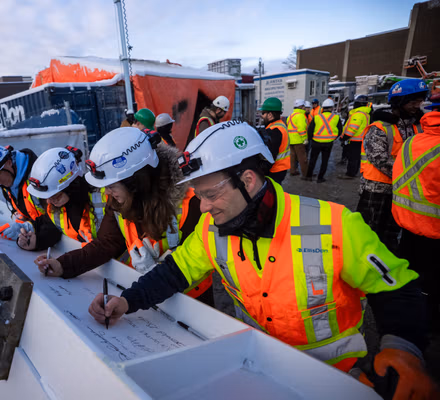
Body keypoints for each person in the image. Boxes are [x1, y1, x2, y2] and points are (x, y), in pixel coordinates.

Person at [87, 121, 439, 399]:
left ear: (248, 180)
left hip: (336, 379)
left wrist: (402, 349)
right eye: (200, 195)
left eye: (210, 194)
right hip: (258, 370)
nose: (203, 207)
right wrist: (127, 301)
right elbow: (174, 272)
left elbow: (397, 288)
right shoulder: (212, 230)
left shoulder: (334, 225)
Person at [36, 127, 214, 305]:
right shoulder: (119, 202)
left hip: (192, 304)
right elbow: (106, 243)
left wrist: (158, 273)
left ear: (135, 181)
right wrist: (63, 265)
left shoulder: (191, 203)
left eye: (111, 186)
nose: (107, 192)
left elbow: (195, 262)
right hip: (144, 295)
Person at [357, 79, 427, 253]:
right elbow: (380, 159)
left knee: (391, 232)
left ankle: (388, 262)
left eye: (419, 101)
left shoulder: (418, 126)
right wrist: (414, 176)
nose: (417, 106)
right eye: (413, 102)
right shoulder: (380, 127)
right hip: (376, 189)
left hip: (402, 190)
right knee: (368, 232)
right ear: (399, 101)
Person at [392, 101, 440, 332]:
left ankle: (405, 315)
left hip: (407, 220)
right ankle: (426, 323)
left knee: (410, 272)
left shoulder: (412, 140)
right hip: (433, 228)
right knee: (431, 281)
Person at [15, 146, 109, 252]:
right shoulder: (57, 207)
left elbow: (114, 241)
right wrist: (36, 242)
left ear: (71, 187)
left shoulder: (105, 197)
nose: (48, 201)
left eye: (55, 195)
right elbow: (52, 227)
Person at [0, 144, 45, 240]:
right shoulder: (9, 179)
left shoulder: (40, 180)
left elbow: (56, 218)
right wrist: (18, 216)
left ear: (9, 162)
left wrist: (30, 227)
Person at [306, 98, 343, 183]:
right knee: (325, 161)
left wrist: (311, 139)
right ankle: (320, 178)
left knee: (312, 160)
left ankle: (308, 176)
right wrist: (333, 137)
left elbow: (310, 130)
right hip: (328, 143)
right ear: (331, 108)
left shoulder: (317, 117)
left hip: (316, 142)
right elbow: (340, 130)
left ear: (323, 108)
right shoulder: (336, 117)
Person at [339, 95, 372, 179]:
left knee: (352, 158)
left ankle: (350, 174)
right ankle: (354, 172)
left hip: (355, 140)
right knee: (356, 158)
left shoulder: (358, 114)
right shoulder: (365, 114)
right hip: (361, 140)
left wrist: (344, 137)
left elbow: (352, 128)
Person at [258, 97, 289, 184]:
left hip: (275, 170)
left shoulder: (274, 131)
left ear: (270, 115)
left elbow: (269, 157)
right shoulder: (280, 125)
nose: (261, 116)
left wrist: (259, 171)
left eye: (263, 113)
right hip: (281, 167)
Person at [287, 99, 309, 178]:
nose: (305, 108)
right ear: (301, 106)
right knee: (302, 158)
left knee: (292, 157)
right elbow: (301, 129)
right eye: (304, 106)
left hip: (291, 140)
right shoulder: (300, 116)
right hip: (299, 140)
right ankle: (306, 174)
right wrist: (304, 139)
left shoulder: (290, 116)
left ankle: (292, 171)